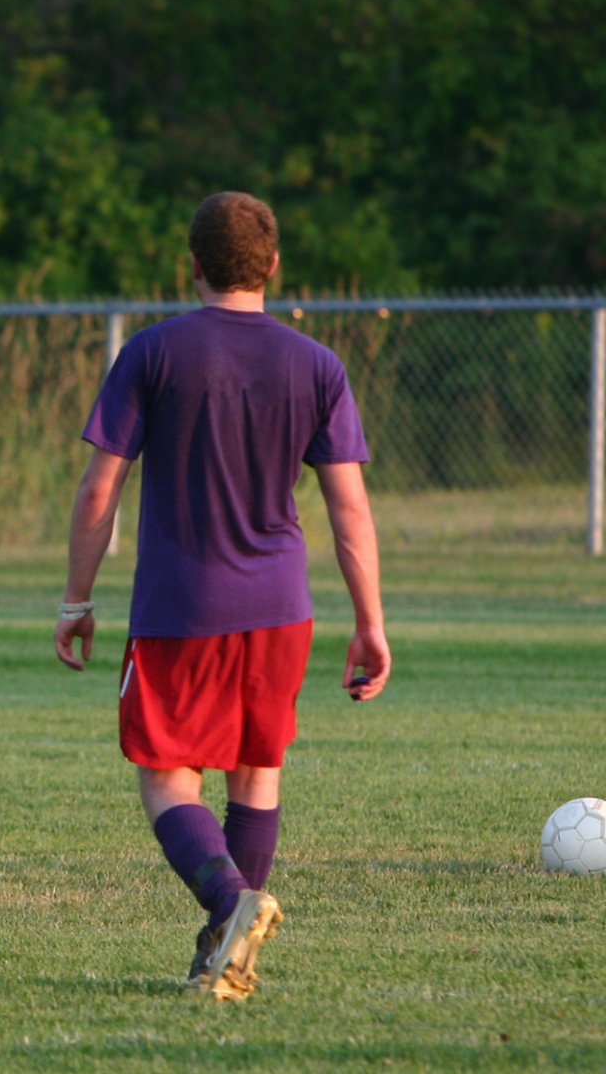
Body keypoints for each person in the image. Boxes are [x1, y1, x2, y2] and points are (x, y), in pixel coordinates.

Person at [53, 191, 390, 1001]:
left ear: (193, 265)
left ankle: (231, 900)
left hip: (181, 607)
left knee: (168, 775)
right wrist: (371, 623)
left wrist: (75, 600)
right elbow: (350, 510)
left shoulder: (154, 353)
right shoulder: (318, 365)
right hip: (282, 607)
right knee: (255, 769)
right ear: (273, 265)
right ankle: (224, 951)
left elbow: (100, 492)